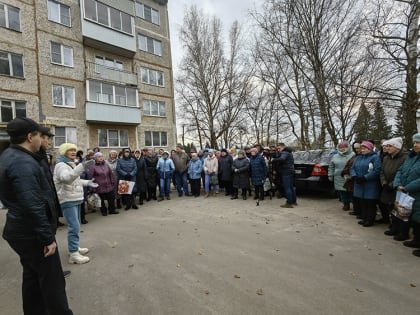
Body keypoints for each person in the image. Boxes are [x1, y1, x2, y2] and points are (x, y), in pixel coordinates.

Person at [0, 117, 73, 314]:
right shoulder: (22, 162)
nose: (43, 140)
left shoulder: (13, 155)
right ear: (30, 137)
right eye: (41, 136)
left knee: (32, 277)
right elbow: (32, 204)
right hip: (31, 233)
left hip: (21, 230)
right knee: (53, 282)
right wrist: (47, 238)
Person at [54, 143, 97, 264]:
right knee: (74, 227)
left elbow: (75, 180)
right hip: (68, 200)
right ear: (64, 152)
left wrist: (88, 182)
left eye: (74, 150)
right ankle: (73, 254)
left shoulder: (69, 164)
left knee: (76, 226)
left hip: (75, 198)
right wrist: (81, 167)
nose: (73, 152)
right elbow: (66, 178)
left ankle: (74, 248)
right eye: (70, 151)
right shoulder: (61, 165)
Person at [394, 133, 420, 256]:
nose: (415, 145)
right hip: (408, 194)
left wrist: (407, 187)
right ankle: (416, 240)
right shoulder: (411, 157)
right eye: (414, 142)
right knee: (414, 218)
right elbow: (400, 170)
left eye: (418, 142)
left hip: (415, 193)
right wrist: (397, 184)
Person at [380, 137, 407, 240]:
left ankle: (402, 231)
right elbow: (382, 171)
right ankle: (394, 228)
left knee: (399, 210)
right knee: (390, 208)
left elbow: (401, 173)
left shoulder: (404, 158)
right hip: (387, 186)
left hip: (397, 188)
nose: (387, 148)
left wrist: (392, 184)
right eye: (386, 146)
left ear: (397, 147)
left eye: (389, 146)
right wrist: (384, 183)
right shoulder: (387, 158)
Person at [350, 140, 381, 227]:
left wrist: (365, 177)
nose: (362, 150)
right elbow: (352, 168)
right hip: (359, 183)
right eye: (362, 148)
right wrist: (354, 176)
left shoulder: (375, 157)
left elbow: (377, 171)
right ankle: (364, 218)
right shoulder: (358, 158)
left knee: (370, 203)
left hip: (370, 184)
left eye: (365, 148)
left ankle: (370, 220)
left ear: (370, 148)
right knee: (362, 202)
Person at [88, 152, 118, 216]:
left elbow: (110, 174)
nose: (101, 158)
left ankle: (111, 210)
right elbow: (90, 177)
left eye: (101, 156)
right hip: (99, 186)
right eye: (99, 157)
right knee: (101, 200)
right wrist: (92, 187)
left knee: (111, 198)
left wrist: (112, 182)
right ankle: (103, 211)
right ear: (95, 158)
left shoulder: (106, 165)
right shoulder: (93, 167)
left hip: (108, 185)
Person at [328, 141, 355, 210]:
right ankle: (346, 204)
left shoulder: (353, 154)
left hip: (350, 177)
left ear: (348, 147)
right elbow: (331, 166)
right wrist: (330, 175)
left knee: (351, 191)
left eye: (344, 147)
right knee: (342, 192)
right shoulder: (335, 156)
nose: (342, 149)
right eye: (340, 148)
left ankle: (355, 205)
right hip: (338, 177)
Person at [342, 142, 362, 216]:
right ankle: (356, 210)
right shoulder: (354, 156)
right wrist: (344, 172)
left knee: (358, 197)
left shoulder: (361, 157)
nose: (357, 150)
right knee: (354, 196)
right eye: (355, 148)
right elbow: (348, 165)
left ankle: (359, 211)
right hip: (351, 178)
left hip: (358, 179)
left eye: (358, 148)